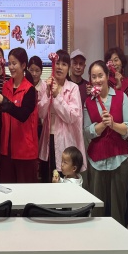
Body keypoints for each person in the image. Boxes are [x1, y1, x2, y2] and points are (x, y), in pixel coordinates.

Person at [84, 60, 128, 254]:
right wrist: (100, 126)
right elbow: (87, 131)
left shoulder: (121, 97)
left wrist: (113, 124)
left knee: (118, 209)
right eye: (93, 77)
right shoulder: (88, 102)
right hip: (96, 160)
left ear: (107, 76)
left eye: (100, 75)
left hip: (119, 159)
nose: (97, 80)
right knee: (99, 210)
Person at [38, 49, 87, 183]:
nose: (60, 67)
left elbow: (72, 116)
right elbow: (40, 113)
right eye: (57, 63)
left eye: (64, 64)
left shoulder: (73, 88)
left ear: (68, 68)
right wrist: (48, 93)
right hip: (48, 139)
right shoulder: (45, 85)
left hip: (66, 140)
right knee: (47, 178)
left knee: (64, 178)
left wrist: (57, 96)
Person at [0, 47, 38, 183]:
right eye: (9, 63)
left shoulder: (30, 90)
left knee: (25, 191)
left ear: (23, 65)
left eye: (14, 63)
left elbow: (23, 115)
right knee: (6, 188)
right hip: (6, 150)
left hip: (25, 151)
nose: (11, 67)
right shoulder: (6, 86)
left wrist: (5, 102)